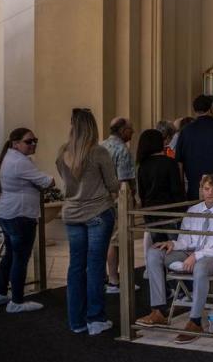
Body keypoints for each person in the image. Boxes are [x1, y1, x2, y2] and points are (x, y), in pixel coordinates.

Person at [136, 174, 213, 344]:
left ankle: (195, 321)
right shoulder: (193, 211)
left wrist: (197, 256)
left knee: (200, 267)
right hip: (189, 252)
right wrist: (172, 244)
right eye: (206, 189)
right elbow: (185, 240)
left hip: (211, 258)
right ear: (201, 190)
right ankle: (159, 310)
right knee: (154, 252)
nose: (210, 192)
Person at [56, 108, 119, 335]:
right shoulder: (98, 152)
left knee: (76, 267)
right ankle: (96, 318)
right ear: (92, 126)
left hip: (72, 214)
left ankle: (77, 322)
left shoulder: (63, 152)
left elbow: (65, 181)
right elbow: (113, 184)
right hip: (97, 212)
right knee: (95, 267)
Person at [0, 127, 54, 312]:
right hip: (21, 214)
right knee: (20, 258)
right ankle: (16, 302)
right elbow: (48, 181)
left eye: (35, 140)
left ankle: (1, 293)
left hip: (7, 212)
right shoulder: (21, 162)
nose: (33, 144)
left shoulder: (9, 157)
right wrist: (48, 179)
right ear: (15, 143)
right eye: (29, 141)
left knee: (10, 255)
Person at [101, 117, 136, 293]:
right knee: (116, 241)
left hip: (99, 201)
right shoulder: (122, 150)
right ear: (122, 131)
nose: (133, 131)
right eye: (130, 129)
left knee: (104, 240)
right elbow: (124, 181)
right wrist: (132, 200)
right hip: (117, 202)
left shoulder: (100, 146)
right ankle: (114, 280)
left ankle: (103, 277)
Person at [136, 128, 185, 243]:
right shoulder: (169, 163)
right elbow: (176, 190)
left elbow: (142, 192)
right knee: (173, 245)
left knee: (158, 245)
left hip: (151, 212)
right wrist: (183, 210)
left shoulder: (142, 165)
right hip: (170, 212)